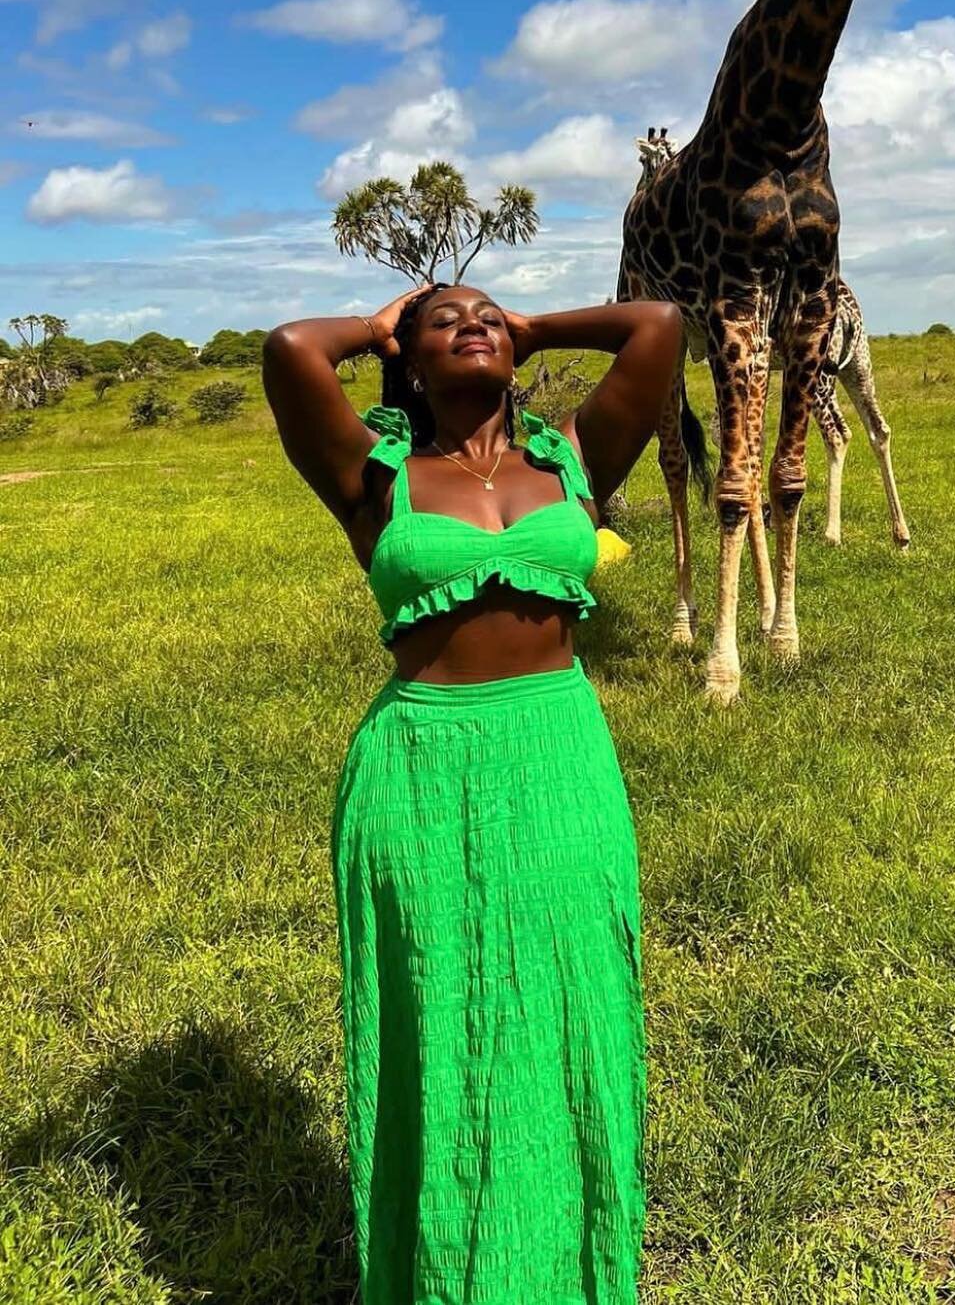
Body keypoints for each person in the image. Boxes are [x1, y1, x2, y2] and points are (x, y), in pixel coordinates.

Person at [261, 281, 683, 1304]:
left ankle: (566, 1270)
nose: (475, 321)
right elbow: (287, 349)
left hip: (559, 755)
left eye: (491, 311)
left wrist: (532, 327)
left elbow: (659, 327)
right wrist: (374, 327)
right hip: (419, 768)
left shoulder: (572, 456)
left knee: (573, 1006)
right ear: (408, 353)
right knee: (439, 1025)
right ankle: (439, 1274)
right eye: (446, 316)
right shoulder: (374, 473)